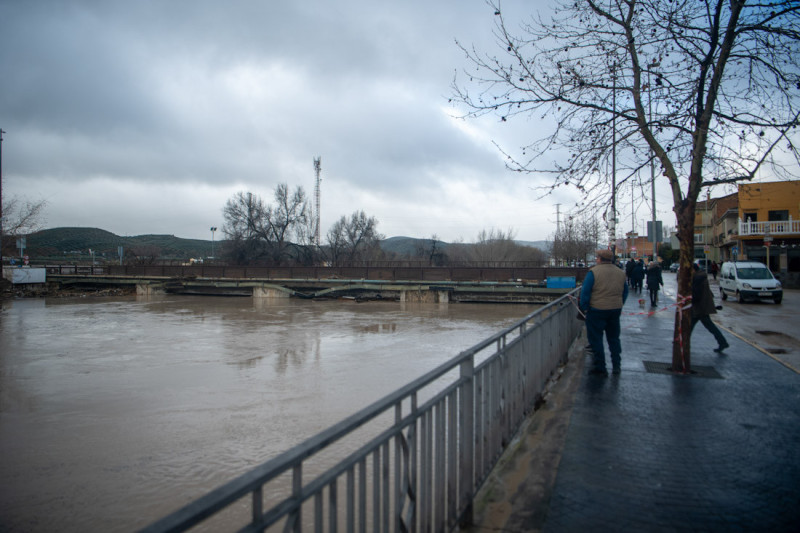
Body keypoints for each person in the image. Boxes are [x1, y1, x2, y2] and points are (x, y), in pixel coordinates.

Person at [580, 249, 629, 376]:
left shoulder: (593, 272)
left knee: (596, 339)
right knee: (614, 338)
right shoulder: (620, 273)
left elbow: (585, 292)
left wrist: (585, 308)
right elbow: (625, 291)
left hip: (597, 309)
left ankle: (600, 367)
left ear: (600, 259)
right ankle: (616, 365)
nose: (596, 259)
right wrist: (619, 303)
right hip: (615, 310)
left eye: (597, 257)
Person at [691, 263, 730, 352]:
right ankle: (722, 342)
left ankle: (723, 342)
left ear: (693, 270)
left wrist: (688, 300)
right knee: (708, 326)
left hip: (700, 307)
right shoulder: (700, 277)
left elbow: (696, 295)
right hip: (702, 306)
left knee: (707, 326)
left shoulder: (697, 278)